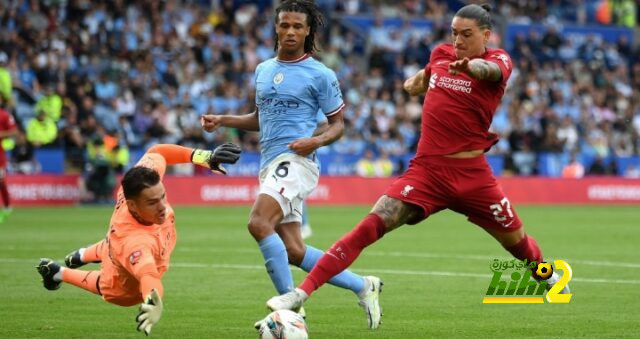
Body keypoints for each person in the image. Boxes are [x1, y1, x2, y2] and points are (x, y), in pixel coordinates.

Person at [266, 4, 571, 324]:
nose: (458, 41)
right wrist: (415, 83)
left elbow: (488, 72)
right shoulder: (441, 54)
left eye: (466, 35)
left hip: (473, 176)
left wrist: (470, 68)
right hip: (427, 173)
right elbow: (422, 79)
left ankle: (545, 274)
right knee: (369, 226)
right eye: (454, 33)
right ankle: (301, 294)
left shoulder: (498, 60)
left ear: (485, 35)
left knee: (518, 245)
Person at [201, 0, 382, 329]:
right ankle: (363, 285)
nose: (290, 31)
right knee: (295, 251)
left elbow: (338, 124)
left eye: (298, 26)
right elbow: (259, 118)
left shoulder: (320, 74)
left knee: (258, 223)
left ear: (308, 30)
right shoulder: (263, 70)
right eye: (285, 25)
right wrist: (222, 119)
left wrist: (315, 141)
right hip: (270, 164)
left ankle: (291, 310)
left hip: (297, 161)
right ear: (276, 26)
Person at [36, 143, 241, 335]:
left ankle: (82, 255)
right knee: (107, 283)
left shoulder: (141, 183)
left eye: (163, 196)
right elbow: (148, 275)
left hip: (118, 241)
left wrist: (204, 157)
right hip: (124, 285)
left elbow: (157, 151)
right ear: (133, 206)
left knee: (111, 245)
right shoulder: (135, 243)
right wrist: (154, 302)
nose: (162, 206)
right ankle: (59, 273)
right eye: (153, 202)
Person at [0, 106, 17, 223]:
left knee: (1, 181)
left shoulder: (4, 115)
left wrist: (1, 135)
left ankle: (7, 207)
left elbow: (14, 131)